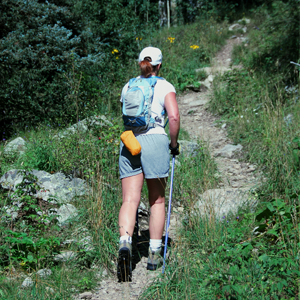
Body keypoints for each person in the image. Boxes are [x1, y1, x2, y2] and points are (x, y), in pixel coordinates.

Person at [117, 46, 180, 281]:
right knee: (157, 200)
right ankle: (154, 254)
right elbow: (173, 117)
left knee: (129, 200)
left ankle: (125, 244)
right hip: (155, 140)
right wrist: (173, 143)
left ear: (140, 63)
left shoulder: (127, 86)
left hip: (130, 141)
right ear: (159, 65)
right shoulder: (165, 86)